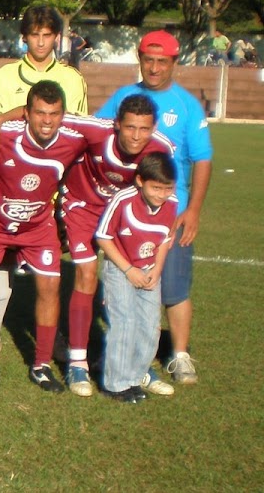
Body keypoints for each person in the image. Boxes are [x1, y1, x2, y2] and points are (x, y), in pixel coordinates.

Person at [96, 30, 212, 385]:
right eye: (149, 59)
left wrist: (192, 211)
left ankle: (178, 355)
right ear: (140, 58)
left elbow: (203, 159)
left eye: (163, 61)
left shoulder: (188, 105)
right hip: (127, 210)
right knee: (123, 282)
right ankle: (121, 351)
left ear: (174, 63)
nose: (155, 67)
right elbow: (97, 133)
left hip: (169, 213)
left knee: (174, 286)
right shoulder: (123, 96)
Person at [0, 81, 92, 392]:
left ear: (63, 115)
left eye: (54, 114)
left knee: (50, 286)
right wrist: (0, 118)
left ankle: (41, 365)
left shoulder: (73, 139)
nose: (47, 121)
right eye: (40, 113)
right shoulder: (1, 133)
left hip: (36, 225)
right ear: (26, 114)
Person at [0, 5, 88, 355]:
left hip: (51, 192)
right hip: (6, 191)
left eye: (47, 35)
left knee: (50, 272)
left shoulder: (72, 79)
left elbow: (78, 138)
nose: (41, 42)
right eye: (34, 35)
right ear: (24, 37)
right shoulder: (6, 76)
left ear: (57, 37)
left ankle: (51, 337)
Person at [54, 95, 174, 397]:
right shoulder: (96, 130)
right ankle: (78, 362)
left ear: (154, 127)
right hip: (82, 208)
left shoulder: (162, 148)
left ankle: (137, 366)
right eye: (130, 127)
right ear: (117, 123)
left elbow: (167, 191)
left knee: (138, 284)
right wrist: (0, 121)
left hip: (123, 215)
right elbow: (49, 115)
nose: (136, 136)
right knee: (85, 274)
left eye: (144, 129)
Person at [96, 152, 179, 403]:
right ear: (140, 181)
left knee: (150, 326)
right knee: (125, 323)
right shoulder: (123, 200)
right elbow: (103, 237)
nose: (162, 195)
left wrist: (157, 269)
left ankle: (135, 376)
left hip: (150, 271)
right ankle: (115, 384)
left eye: (167, 188)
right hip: (120, 269)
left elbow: (166, 239)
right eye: (156, 188)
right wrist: (128, 270)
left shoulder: (172, 203)